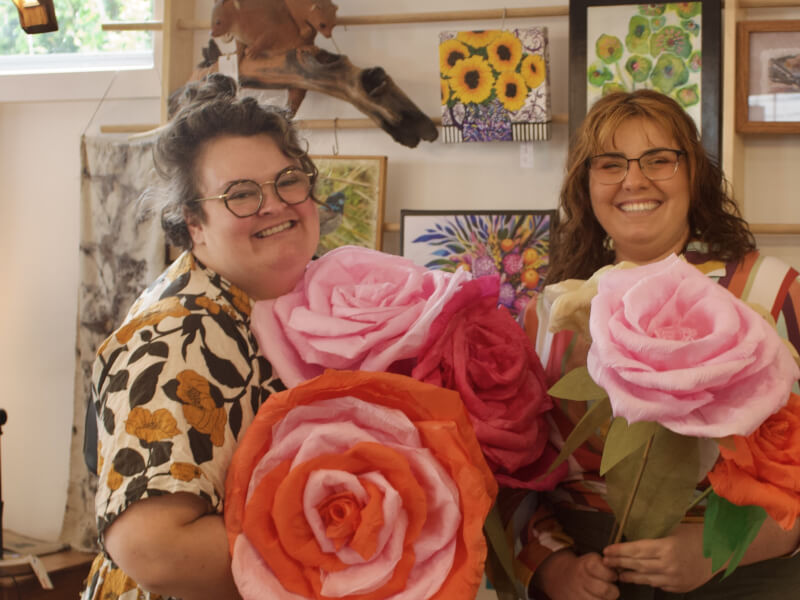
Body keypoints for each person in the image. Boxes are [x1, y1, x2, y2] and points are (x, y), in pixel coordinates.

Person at [520, 89, 800, 600]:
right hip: (588, 573)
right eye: (610, 164)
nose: (633, 180)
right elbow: (515, 469)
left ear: (694, 174)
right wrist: (553, 566)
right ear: (586, 185)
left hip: (744, 573)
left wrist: (724, 547)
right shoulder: (546, 315)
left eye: (658, 160)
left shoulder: (773, 293)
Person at [80, 73, 320, 600]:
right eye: (240, 195)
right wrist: (341, 546)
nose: (275, 204)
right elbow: (154, 549)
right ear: (194, 222)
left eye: (288, 180)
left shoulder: (290, 298)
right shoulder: (179, 332)